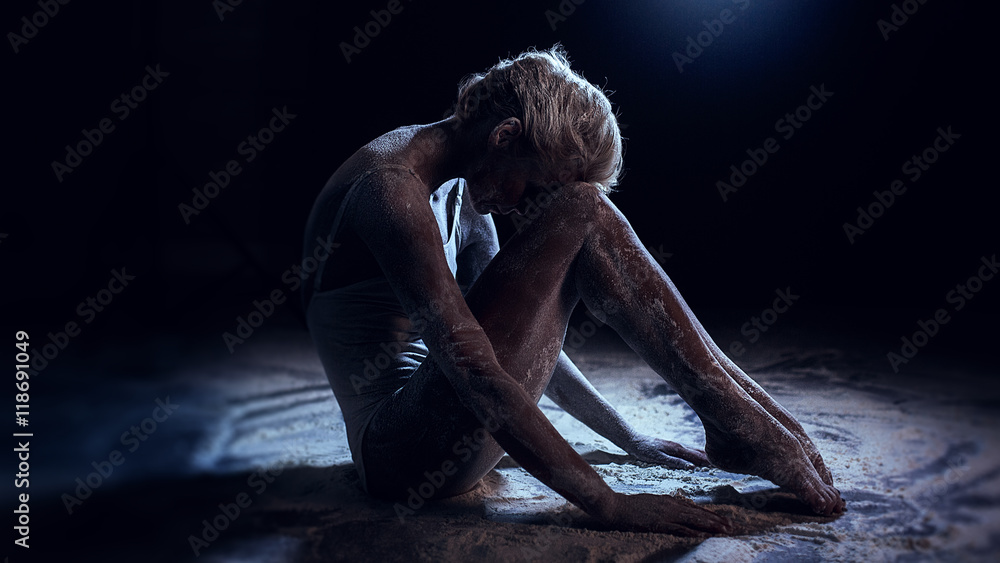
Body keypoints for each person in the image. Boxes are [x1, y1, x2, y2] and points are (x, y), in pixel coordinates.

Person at [303, 45, 844, 535]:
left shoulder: (468, 192)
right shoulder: (389, 189)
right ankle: (736, 421)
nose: (519, 208)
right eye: (531, 187)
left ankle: (739, 414)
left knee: (584, 207)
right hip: (401, 457)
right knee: (582, 209)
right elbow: (476, 372)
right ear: (504, 135)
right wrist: (607, 503)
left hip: (456, 434)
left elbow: (515, 348)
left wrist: (630, 438)